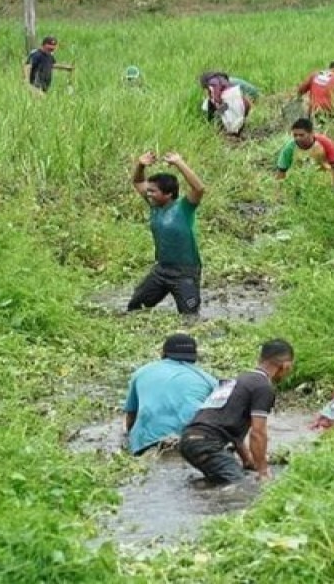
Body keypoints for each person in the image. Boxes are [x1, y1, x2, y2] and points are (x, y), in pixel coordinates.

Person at [179, 339, 295, 484]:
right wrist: (263, 471)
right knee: (240, 486)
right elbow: (258, 433)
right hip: (207, 444)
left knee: (222, 479)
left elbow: (234, 432)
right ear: (286, 365)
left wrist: (248, 461)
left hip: (187, 440)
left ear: (260, 359)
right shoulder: (263, 387)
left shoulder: (237, 380)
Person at [129, 151, 206, 315]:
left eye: (153, 191)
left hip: (185, 272)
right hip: (161, 270)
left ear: (168, 194)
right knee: (134, 309)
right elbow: (138, 181)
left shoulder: (184, 208)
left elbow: (199, 188)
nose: (148, 194)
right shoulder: (154, 206)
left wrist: (179, 163)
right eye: (148, 191)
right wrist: (141, 165)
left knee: (189, 316)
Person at [124, 333, 220, 456]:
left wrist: (131, 441)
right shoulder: (208, 379)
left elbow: (131, 416)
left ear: (163, 353)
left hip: (147, 442)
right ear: (195, 357)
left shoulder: (141, 373)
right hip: (193, 441)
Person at [275, 118, 334, 182]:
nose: (298, 138)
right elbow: (281, 171)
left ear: (311, 133)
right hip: (300, 183)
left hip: (324, 181)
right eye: (295, 135)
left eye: (301, 135)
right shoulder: (289, 148)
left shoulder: (325, 142)